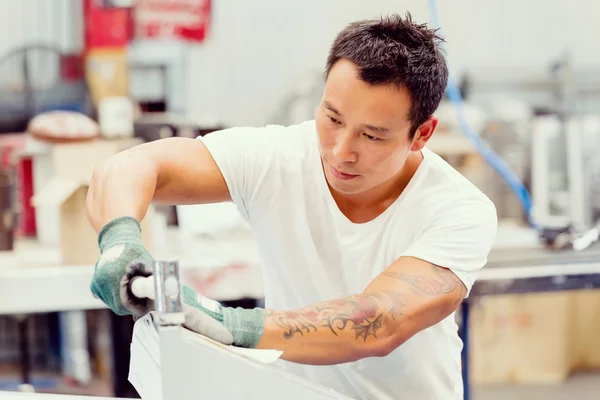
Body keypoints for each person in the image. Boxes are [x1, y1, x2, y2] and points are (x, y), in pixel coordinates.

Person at [86, 13, 497, 400]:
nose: (341, 151)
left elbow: (379, 322)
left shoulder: (457, 209)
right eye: (333, 118)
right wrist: (120, 239)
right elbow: (128, 168)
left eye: (372, 137)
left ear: (422, 133)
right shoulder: (277, 158)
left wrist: (232, 325)